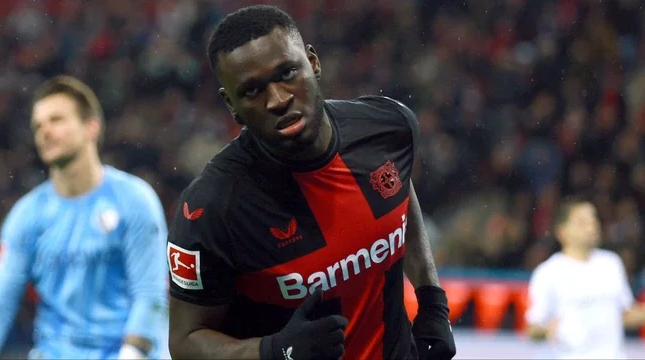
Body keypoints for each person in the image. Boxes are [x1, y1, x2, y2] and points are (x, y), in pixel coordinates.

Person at [167, 5, 456, 360]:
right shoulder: (209, 209)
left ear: (313, 63)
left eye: (287, 72)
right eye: (253, 90)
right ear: (232, 105)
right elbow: (184, 342)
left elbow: (399, 198)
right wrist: (274, 351)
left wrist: (431, 301)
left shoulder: (388, 128)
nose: (278, 99)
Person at [0, 76, 169, 360]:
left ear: (91, 126)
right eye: (38, 126)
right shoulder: (27, 215)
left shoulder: (135, 200)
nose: (45, 131)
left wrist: (130, 354)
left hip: (128, 352)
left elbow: (151, 294)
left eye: (56, 120)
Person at [525, 196, 645, 359]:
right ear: (562, 231)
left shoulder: (611, 263)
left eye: (593, 220)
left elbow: (623, 315)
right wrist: (545, 331)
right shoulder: (549, 272)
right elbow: (532, 328)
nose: (591, 227)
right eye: (582, 222)